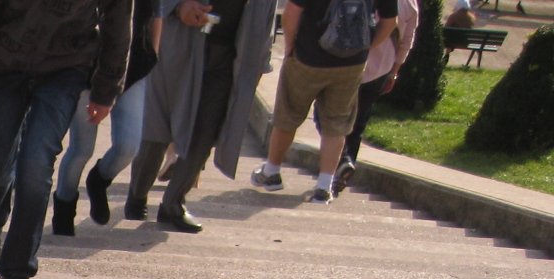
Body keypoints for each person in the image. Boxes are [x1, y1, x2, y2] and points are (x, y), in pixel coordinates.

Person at [0, 0, 134, 279]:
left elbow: (117, 22)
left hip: (66, 70)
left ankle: (17, 277)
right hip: (8, 63)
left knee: (36, 164)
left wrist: (106, 89)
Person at [124, 0, 274, 231]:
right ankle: (137, 196)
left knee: (206, 131)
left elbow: (267, 12)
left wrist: (260, 61)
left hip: (228, 51)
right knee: (158, 127)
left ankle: (173, 204)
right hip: (180, 41)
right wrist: (179, 5)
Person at [251, 0, 397, 203]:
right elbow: (390, 22)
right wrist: (364, 49)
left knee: (289, 113)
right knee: (337, 122)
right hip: (352, 63)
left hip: (308, 56)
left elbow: (291, 13)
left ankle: (271, 172)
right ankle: (324, 186)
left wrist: (290, 46)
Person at [52, 0, 162, 234]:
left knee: (128, 147)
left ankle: (99, 180)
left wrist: (152, 54)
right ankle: (64, 209)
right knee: (82, 149)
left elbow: (156, 10)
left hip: (134, 67)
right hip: (85, 67)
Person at [332, 0, 417, 191]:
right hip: (381, 68)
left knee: (329, 115)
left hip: (347, 61)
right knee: (358, 123)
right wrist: (394, 71)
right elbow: (407, 40)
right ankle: (343, 169)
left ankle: (339, 162)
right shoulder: (410, 3)